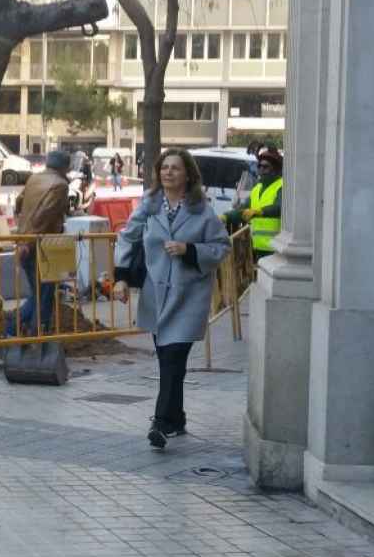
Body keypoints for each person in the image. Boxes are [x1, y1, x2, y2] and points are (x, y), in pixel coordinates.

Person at [117, 147, 230, 450]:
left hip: (188, 297)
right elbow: (128, 237)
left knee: (172, 358)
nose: (168, 172)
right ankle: (177, 418)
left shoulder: (202, 212)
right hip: (156, 296)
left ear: (188, 174)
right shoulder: (149, 206)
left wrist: (189, 250)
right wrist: (121, 277)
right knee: (169, 361)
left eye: (175, 168)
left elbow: (222, 247)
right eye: (164, 167)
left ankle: (160, 423)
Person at [10, 150, 71, 335]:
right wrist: (29, 242)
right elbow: (44, 215)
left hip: (26, 241)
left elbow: (19, 204)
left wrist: (23, 237)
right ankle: (22, 331)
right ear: (64, 166)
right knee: (43, 295)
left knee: (40, 293)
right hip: (43, 244)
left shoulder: (34, 179)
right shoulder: (60, 185)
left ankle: (23, 331)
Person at [226, 147, 284, 258]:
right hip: (256, 248)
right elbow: (243, 210)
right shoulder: (257, 188)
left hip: (274, 250)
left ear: (276, 170)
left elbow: (280, 207)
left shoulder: (282, 186)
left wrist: (259, 211)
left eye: (265, 167)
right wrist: (225, 217)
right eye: (259, 166)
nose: (261, 170)